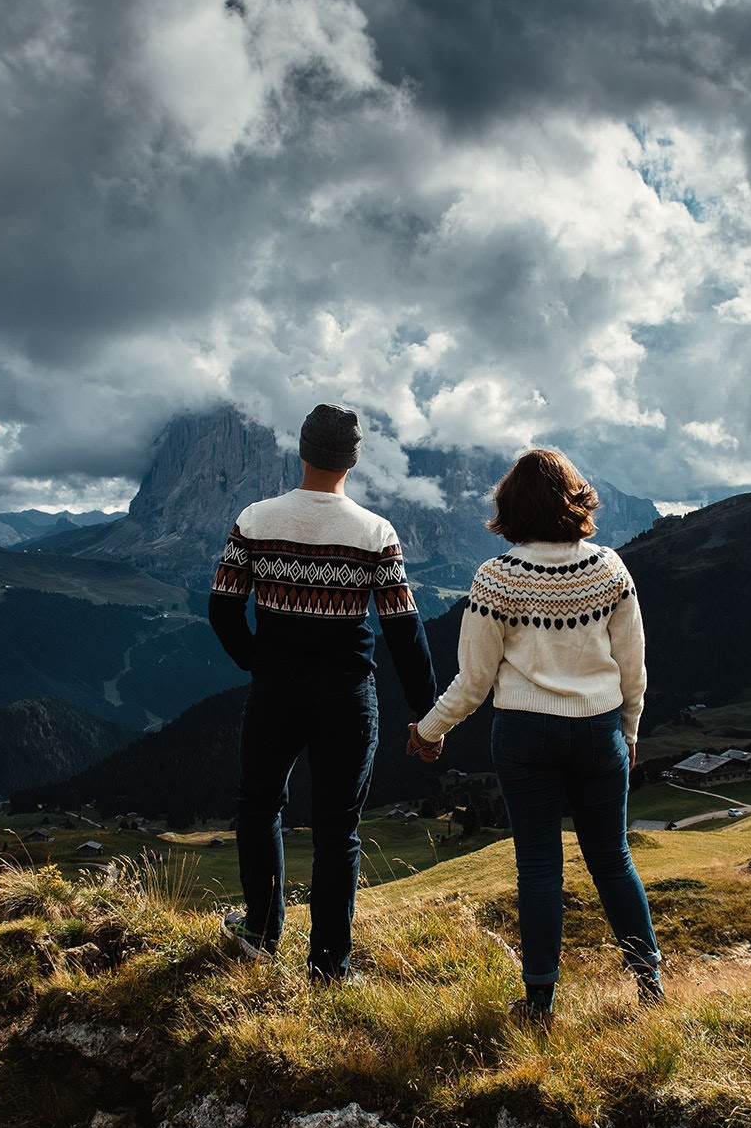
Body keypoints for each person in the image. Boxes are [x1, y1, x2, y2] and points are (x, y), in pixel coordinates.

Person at [407, 448, 661, 1023]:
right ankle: (650, 987)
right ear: (576, 500)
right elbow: (633, 669)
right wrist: (630, 731)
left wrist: (427, 732)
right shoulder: (610, 570)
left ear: (510, 508)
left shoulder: (497, 578)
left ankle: (540, 1001)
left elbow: (473, 682)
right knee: (613, 858)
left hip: (525, 735)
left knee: (540, 869)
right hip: (598, 731)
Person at [209, 404, 437, 983]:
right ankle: (330, 966)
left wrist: (259, 661)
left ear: (302, 452)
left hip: (275, 691)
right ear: (352, 460)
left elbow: (223, 608)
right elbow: (403, 630)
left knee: (260, 807)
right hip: (348, 697)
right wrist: (427, 712)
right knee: (339, 828)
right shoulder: (374, 531)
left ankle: (260, 934)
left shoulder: (256, 519)